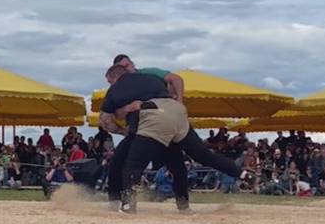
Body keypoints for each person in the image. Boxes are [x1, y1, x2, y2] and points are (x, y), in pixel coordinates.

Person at [100, 64, 250, 213]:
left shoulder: (114, 89)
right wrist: (179, 101)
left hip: (153, 117)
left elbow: (106, 121)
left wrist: (121, 129)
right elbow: (175, 79)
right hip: (176, 111)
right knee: (197, 157)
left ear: (115, 77)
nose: (110, 85)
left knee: (133, 165)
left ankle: (127, 205)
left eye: (109, 81)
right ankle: (241, 174)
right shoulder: (151, 77)